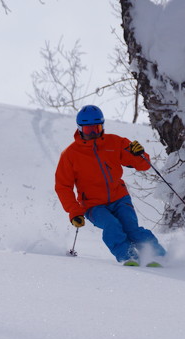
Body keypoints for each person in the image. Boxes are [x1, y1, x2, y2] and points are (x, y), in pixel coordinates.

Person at [55, 105, 166, 266]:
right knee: (112, 225)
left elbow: (144, 165)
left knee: (131, 228)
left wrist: (139, 154)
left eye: (97, 128)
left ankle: (158, 256)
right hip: (93, 205)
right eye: (88, 129)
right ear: (80, 129)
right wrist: (74, 212)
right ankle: (128, 256)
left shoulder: (115, 142)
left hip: (120, 198)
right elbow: (63, 186)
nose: (93, 133)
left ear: (102, 126)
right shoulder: (70, 155)